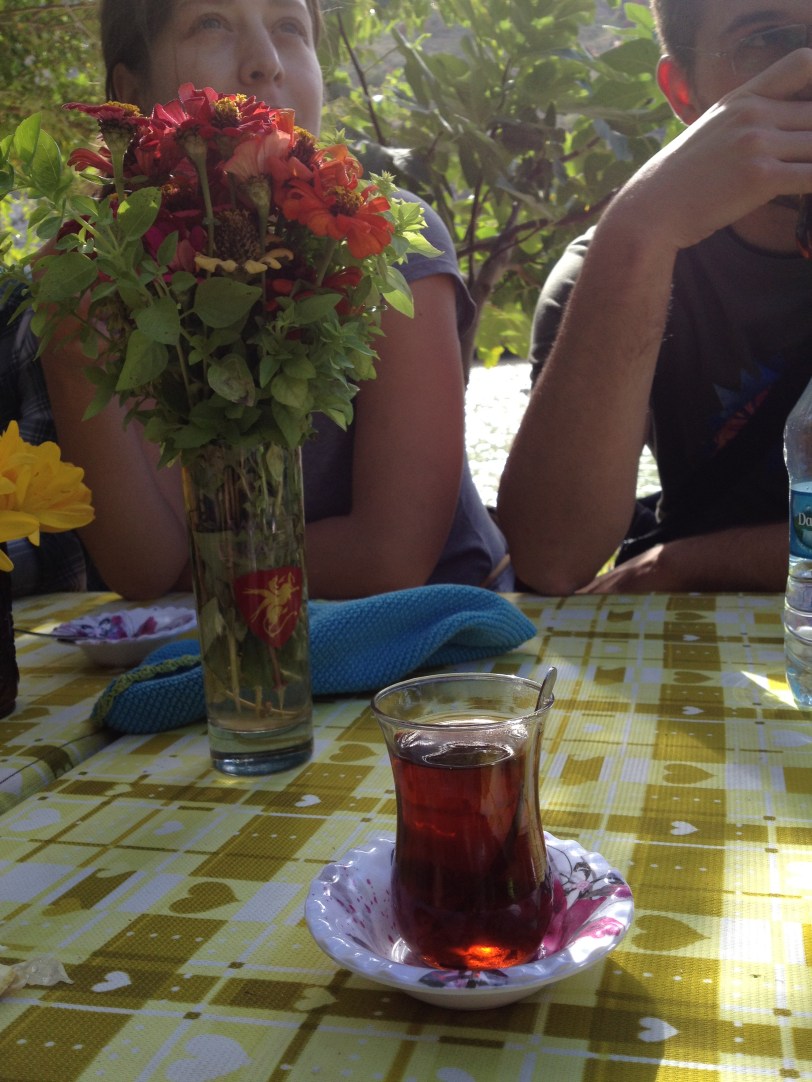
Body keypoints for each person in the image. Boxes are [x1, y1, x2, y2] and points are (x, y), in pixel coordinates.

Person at [10, 0, 511, 600]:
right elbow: (145, 570)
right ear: (129, 90)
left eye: (290, 28)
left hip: (432, 639)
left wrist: (203, 571)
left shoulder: (379, 232)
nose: (266, 64)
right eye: (212, 23)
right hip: (205, 656)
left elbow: (388, 558)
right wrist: (70, 342)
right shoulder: (107, 269)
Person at [497, 0, 812, 595]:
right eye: (767, 38)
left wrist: (678, 563)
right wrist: (641, 225)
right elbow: (552, 556)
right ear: (683, 91)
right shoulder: (621, 260)